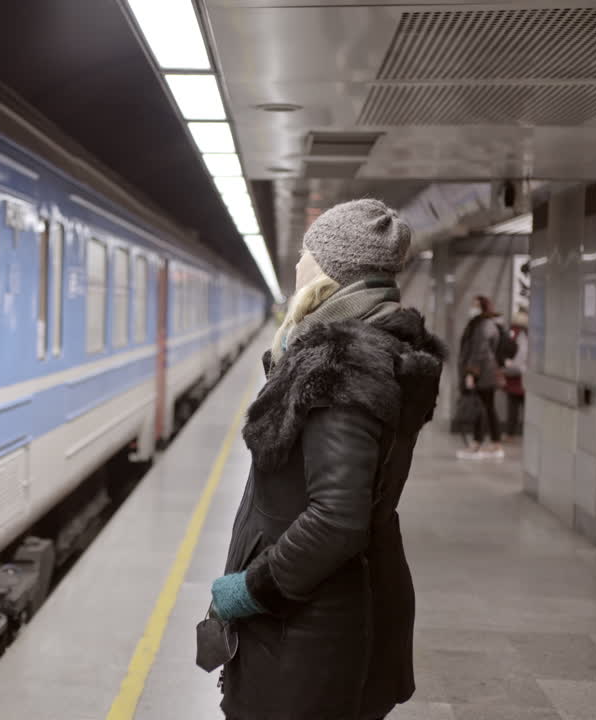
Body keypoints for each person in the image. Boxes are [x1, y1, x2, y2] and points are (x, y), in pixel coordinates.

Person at [205, 199, 445, 720]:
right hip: (329, 613)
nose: (296, 266)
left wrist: (251, 588)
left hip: (312, 628)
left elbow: (337, 519)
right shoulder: (375, 349)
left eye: (307, 255)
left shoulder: (343, 367)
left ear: (331, 271)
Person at [456, 295, 506, 460]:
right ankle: (496, 444)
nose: (473, 308)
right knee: (488, 408)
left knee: (481, 408)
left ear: (484, 307)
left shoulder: (483, 325)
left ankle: (477, 445)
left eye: (476, 305)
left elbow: (480, 351)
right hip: (488, 371)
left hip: (483, 373)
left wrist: (471, 373)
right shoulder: (485, 324)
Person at [502, 309, 528, 439]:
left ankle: (510, 433)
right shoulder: (523, 334)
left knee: (512, 407)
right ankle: (526, 432)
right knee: (526, 407)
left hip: (509, 374)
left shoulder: (509, 332)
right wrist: (519, 368)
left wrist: (506, 369)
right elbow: (522, 354)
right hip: (520, 375)